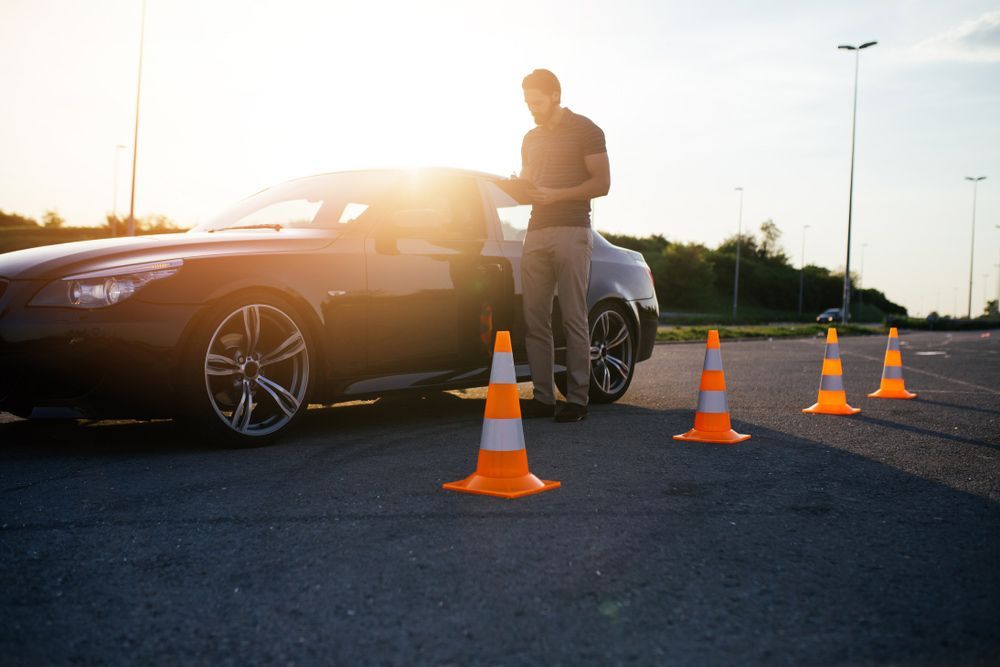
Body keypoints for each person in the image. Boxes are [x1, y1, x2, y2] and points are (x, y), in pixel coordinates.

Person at [517, 69, 610, 423]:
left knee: (572, 316)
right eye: (526, 102)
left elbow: (602, 183)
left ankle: (577, 399)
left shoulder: (586, 130)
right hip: (536, 230)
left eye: (536, 102)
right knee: (534, 318)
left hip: (572, 230)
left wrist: (557, 195)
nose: (531, 108)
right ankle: (542, 398)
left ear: (555, 95)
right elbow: (529, 179)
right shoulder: (530, 137)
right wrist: (518, 187)